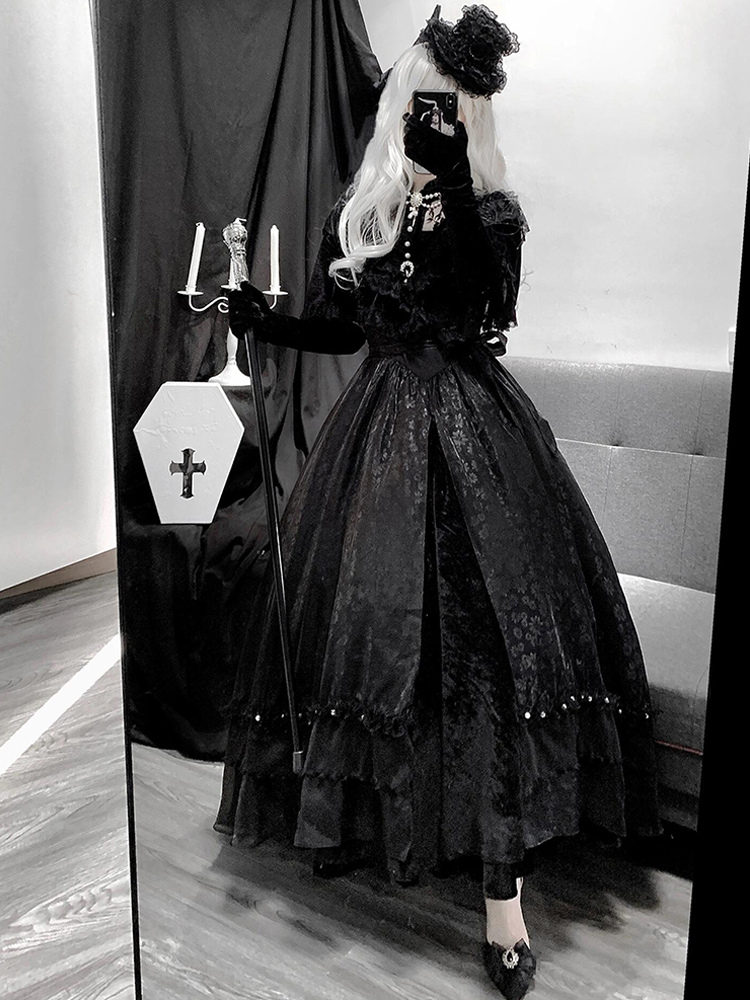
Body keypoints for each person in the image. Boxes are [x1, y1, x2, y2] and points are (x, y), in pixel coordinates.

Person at [215, 6, 663, 998]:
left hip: (472, 436)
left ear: (470, 117)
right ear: (396, 110)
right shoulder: (368, 211)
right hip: (377, 436)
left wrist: (456, 185)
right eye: (422, 105)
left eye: (450, 108)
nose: (432, 121)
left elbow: (486, 308)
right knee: (379, 641)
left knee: (487, 650)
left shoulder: (489, 213)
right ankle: (380, 822)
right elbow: (351, 334)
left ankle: (505, 893)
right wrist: (265, 322)